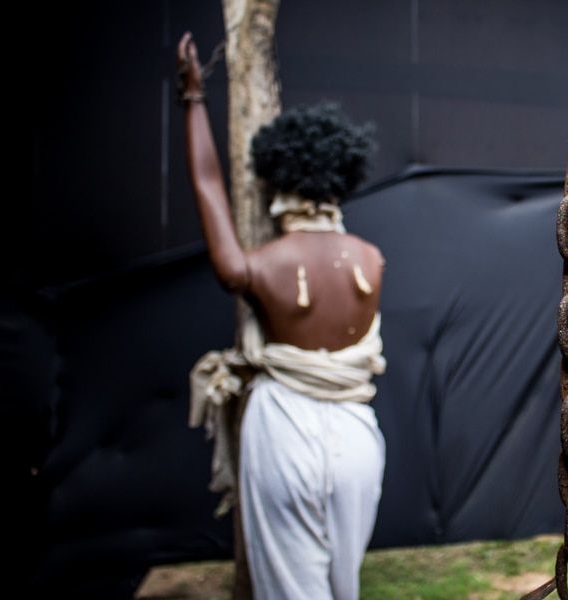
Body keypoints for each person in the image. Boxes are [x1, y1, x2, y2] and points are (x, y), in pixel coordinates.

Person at [177, 32, 386, 600]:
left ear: (276, 181)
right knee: (343, 587)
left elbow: (208, 185)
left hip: (284, 429)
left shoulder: (263, 265)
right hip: (357, 436)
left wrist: (193, 99)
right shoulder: (371, 260)